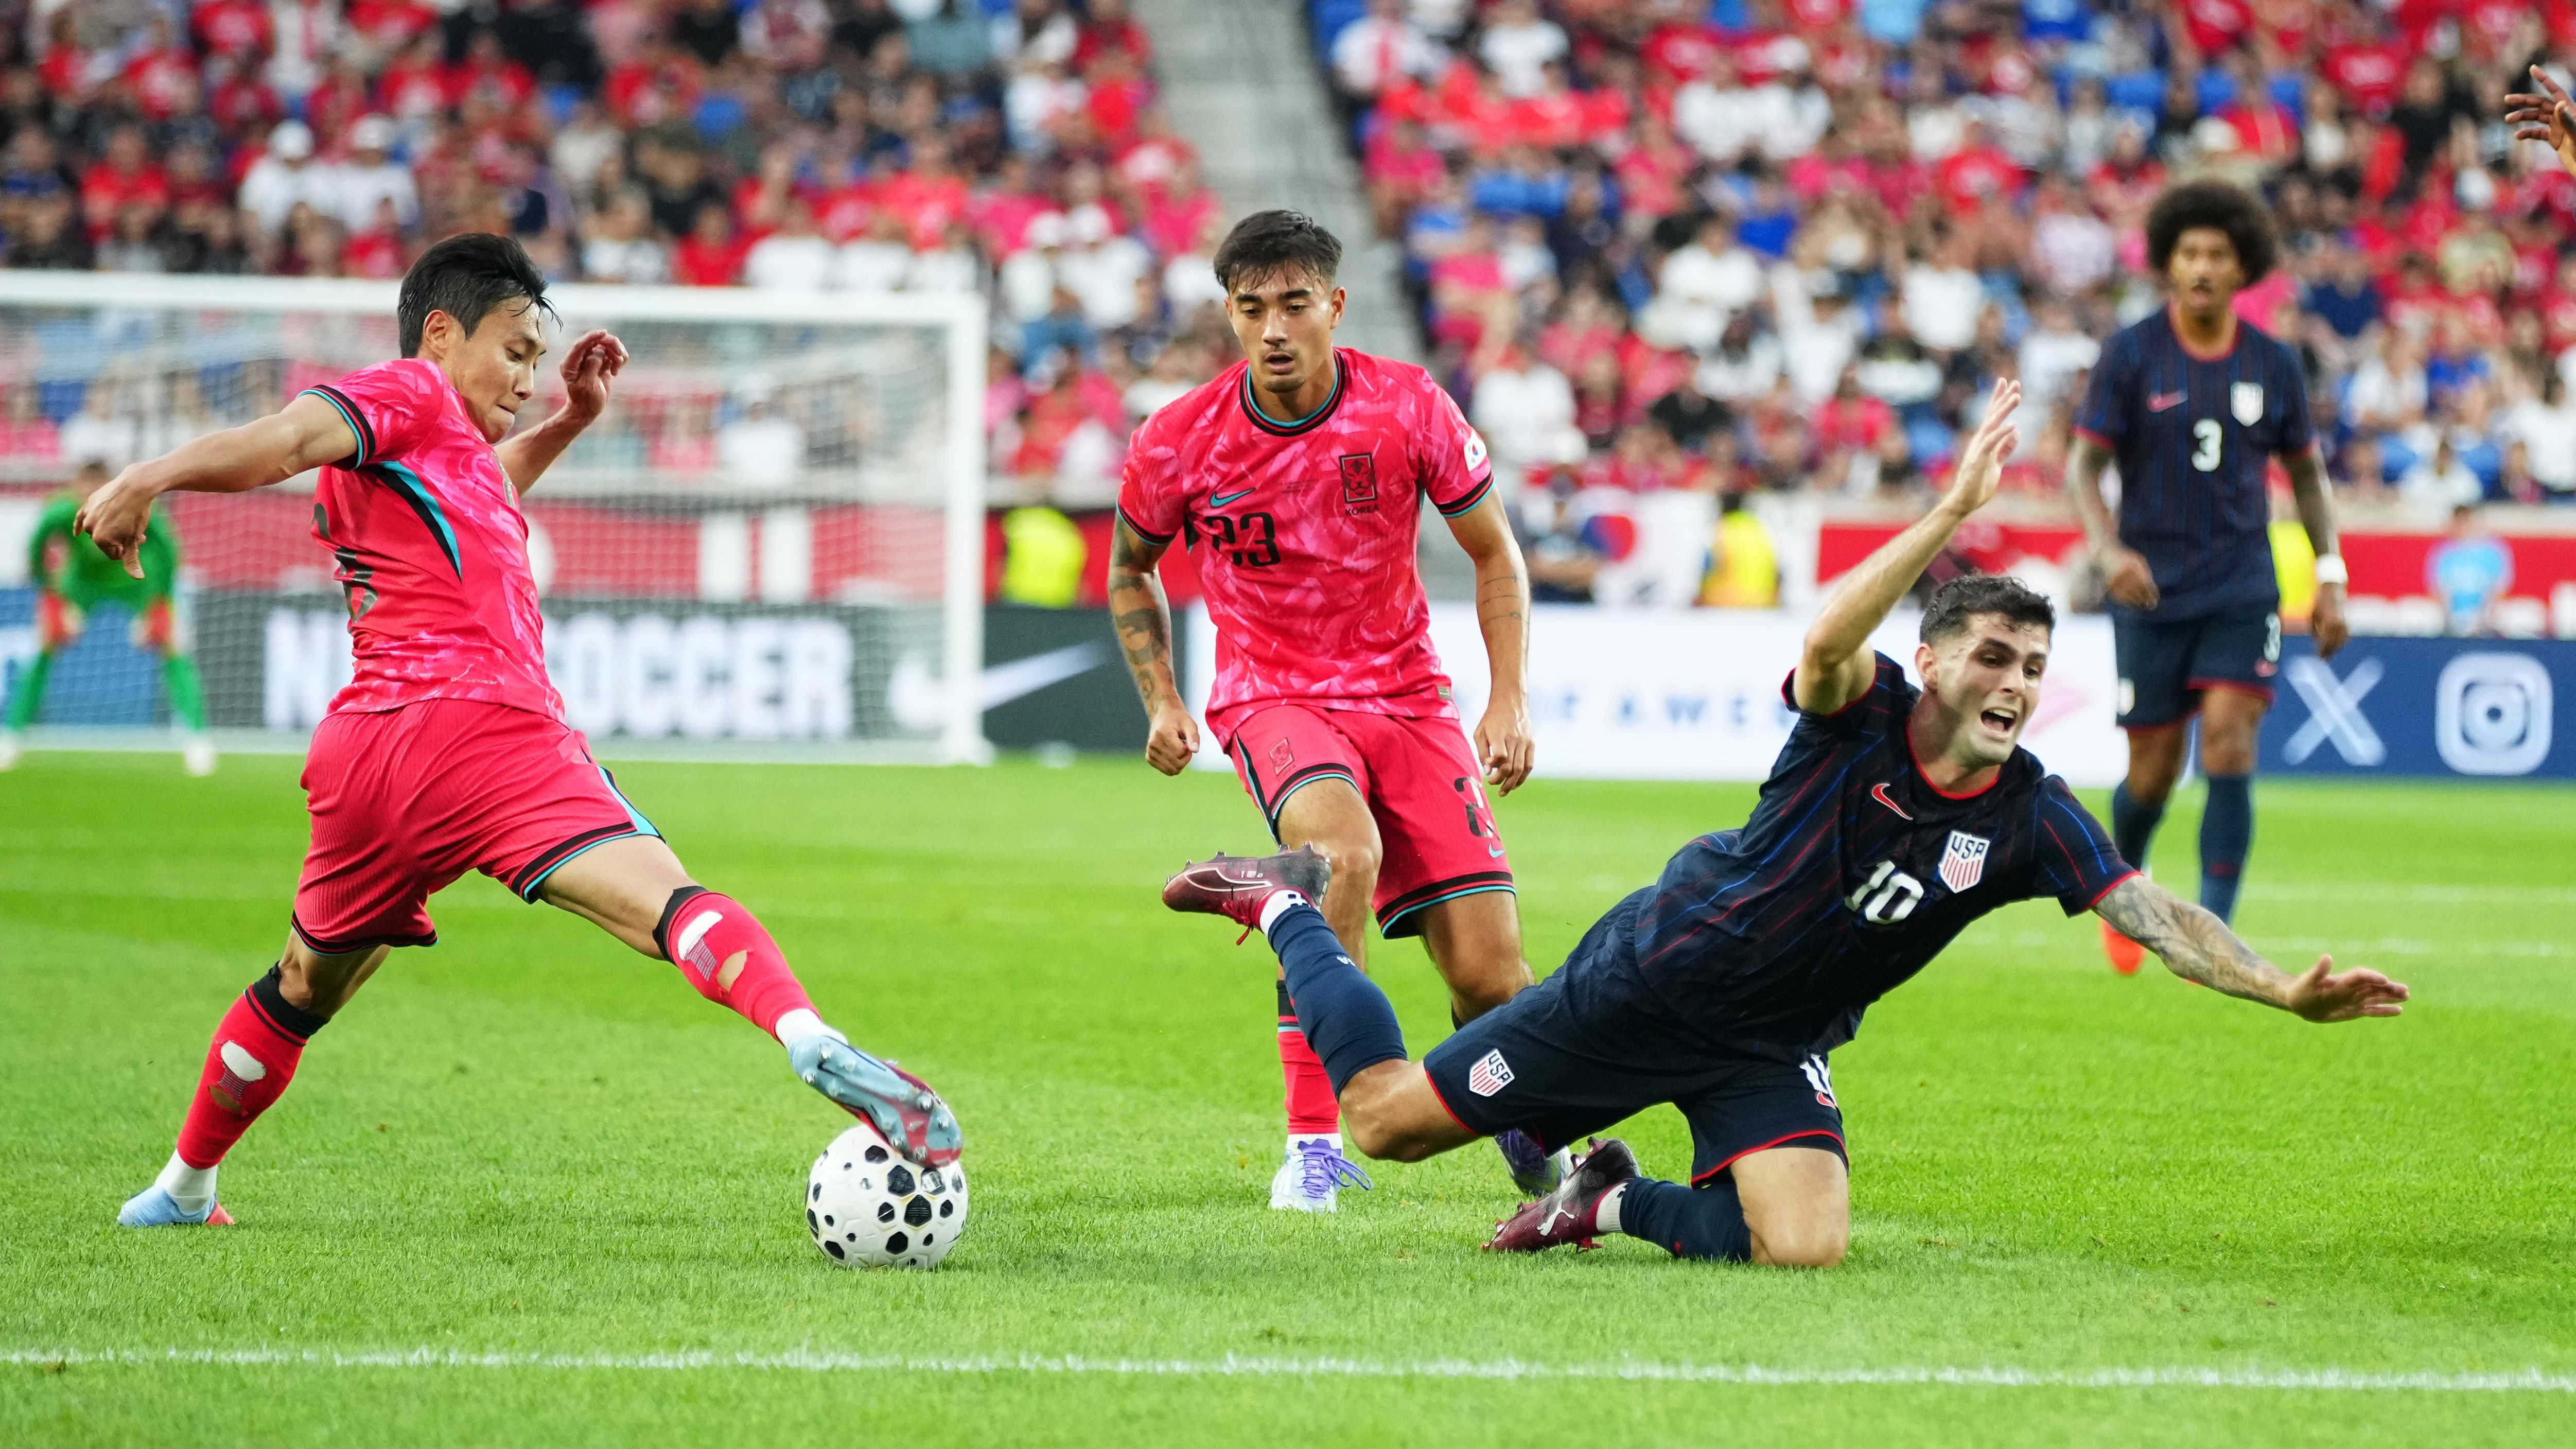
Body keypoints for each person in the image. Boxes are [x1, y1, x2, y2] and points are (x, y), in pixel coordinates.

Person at [1161, 382, 2408, 1265]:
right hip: (1646, 984)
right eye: (1991, 655)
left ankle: (1607, 1204)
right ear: (1930, 660)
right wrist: (1946, 513)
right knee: (1386, 1119)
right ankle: (1282, 905)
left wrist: (2279, 992)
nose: (2016, 683)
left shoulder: (2034, 816)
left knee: (1801, 1246)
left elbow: (2153, 911)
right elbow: (1822, 639)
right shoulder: (1857, 710)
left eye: (2033, 663)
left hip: (1772, 1041)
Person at [78, 235, 959, 1228]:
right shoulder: (408, 390)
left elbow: (483, 489)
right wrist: (146, 477)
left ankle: (181, 1188)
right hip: (487, 732)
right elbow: (285, 440)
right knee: (665, 902)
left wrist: (576, 421)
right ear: (442, 334)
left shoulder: (431, 451)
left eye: (540, 363)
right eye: (515, 353)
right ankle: (804, 1032)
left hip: (367, 756)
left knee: (304, 987)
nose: (528, 380)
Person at [1107, 210, 1550, 1213]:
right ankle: (1316, 1142)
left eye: (1294, 304)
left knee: (1490, 976)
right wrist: (1163, 699)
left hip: (1407, 699)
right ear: (1228, 312)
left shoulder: (1408, 407)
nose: (1272, 329)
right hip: (1275, 695)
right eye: (1250, 307)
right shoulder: (1179, 439)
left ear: (1334, 307)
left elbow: (1493, 552)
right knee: (1340, 860)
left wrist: (1508, 698)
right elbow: (1130, 567)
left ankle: (1529, 1117)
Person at [2063, 181, 2349, 974]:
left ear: (2242, 267)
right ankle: (2124, 887)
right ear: (2166, 262)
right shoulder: (2130, 352)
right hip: (2149, 589)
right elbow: (2083, 466)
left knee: (2228, 739)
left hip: (2240, 585)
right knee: (2152, 767)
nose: (2200, 267)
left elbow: (2309, 477)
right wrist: (2106, 548)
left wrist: (2330, 574)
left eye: (2217, 254)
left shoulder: (2273, 361)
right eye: (2188, 252)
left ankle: (2213, 932)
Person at [0, 460, 213, 775]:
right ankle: (12, 736)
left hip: (137, 581)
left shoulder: (134, 508)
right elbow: (36, 548)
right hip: (81, 585)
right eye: (86, 488)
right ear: (77, 487)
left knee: (174, 646)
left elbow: (168, 550)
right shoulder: (62, 512)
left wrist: (160, 602)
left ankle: (198, 739)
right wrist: (52, 597)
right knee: (44, 646)